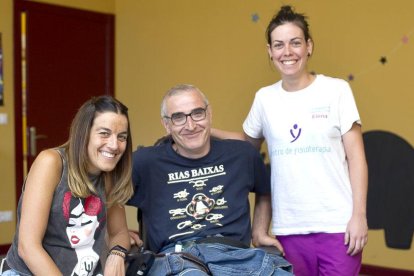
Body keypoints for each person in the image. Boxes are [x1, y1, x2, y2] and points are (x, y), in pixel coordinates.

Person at [212, 5, 369, 276]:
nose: (287, 52)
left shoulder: (336, 90)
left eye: (295, 43)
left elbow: (357, 158)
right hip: (288, 227)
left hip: (338, 225)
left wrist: (359, 216)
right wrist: (205, 130)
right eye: (279, 45)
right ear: (270, 52)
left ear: (309, 46)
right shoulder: (264, 98)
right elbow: (247, 144)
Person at [127, 84, 293, 275]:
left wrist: (260, 231)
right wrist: (117, 235)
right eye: (178, 117)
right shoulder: (145, 162)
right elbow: (105, 195)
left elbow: (265, 189)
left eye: (197, 113)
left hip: (238, 257)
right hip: (177, 259)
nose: (190, 126)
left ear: (209, 114)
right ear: (166, 124)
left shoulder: (242, 155)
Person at [1, 96, 134, 276]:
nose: (114, 145)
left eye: (122, 137)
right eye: (104, 133)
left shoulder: (109, 174)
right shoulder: (51, 163)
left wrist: (116, 254)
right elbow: (28, 247)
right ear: (84, 133)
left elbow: (119, 232)